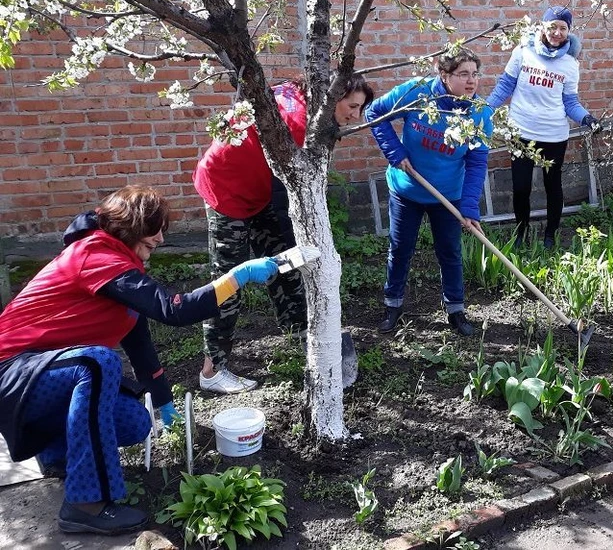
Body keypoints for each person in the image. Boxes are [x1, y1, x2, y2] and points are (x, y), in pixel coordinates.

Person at [0, 186, 277, 535]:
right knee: (96, 364)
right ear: (129, 226)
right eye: (154, 227)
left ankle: (57, 455)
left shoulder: (120, 268)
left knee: (134, 422)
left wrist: (163, 402)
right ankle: (86, 504)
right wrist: (236, 278)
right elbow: (175, 310)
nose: (160, 238)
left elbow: (139, 342)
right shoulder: (95, 256)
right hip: (10, 372)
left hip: (40, 375)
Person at [193, 75, 373, 393]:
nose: (356, 116)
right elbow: (292, 195)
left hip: (257, 186)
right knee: (228, 281)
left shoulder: (295, 93)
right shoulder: (302, 127)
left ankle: (301, 335)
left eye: (362, 108)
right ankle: (212, 371)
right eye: (353, 106)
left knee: (288, 262)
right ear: (331, 97)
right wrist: (309, 239)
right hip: (227, 188)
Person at [368, 48, 493, 337]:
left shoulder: (480, 113)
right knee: (400, 248)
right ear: (444, 74)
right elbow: (375, 112)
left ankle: (455, 309)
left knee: (450, 252)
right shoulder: (418, 93)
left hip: (449, 194)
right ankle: (393, 305)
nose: (471, 81)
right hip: (407, 188)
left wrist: (470, 207)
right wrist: (394, 151)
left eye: (475, 74)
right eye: (463, 74)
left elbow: (476, 162)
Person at [486, 6, 600, 249]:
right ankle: (521, 233)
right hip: (521, 132)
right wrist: (484, 109)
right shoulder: (523, 52)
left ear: (569, 31)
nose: (557, 32)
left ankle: (550, 235)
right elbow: (505, 86)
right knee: (521, 188)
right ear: (542, 26)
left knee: (553, 186)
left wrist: (586, 118)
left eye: (563, 28)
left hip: (554, 135)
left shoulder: (570, 65)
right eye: (552, 26)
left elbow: (570, 102)